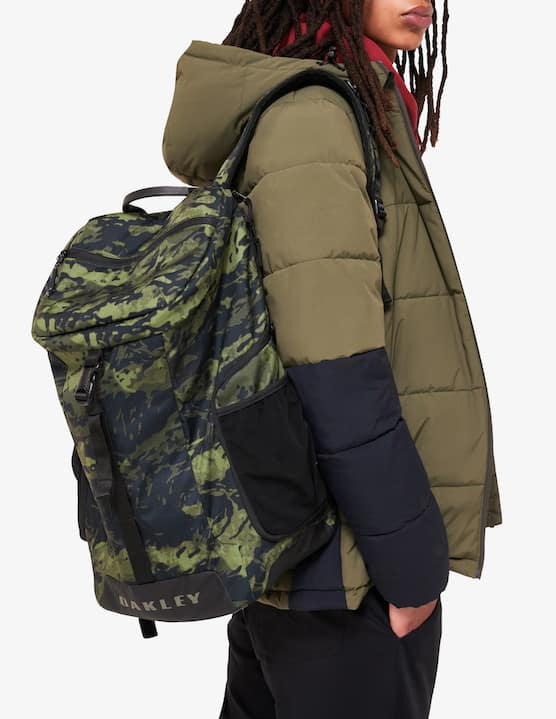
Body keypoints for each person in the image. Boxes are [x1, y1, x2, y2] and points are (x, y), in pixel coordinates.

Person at [161, 1, 503, 716]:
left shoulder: (331, 105)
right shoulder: (312, 118)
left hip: (302, 557)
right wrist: (408, 566)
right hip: (346, 572)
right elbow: (335, 367)